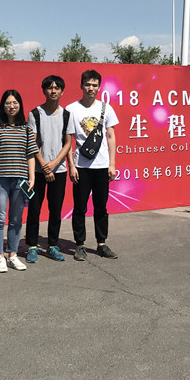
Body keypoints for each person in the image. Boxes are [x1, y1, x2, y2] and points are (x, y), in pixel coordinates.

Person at [66, 69, 119, 261]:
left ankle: (101, 243)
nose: (91, 88)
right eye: (87, 84)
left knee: (101, 207)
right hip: (81, 166)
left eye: (94, 85)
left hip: (102, 166)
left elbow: (111, 136)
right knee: (80, 207)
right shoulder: (71, 109)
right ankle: (79, 245)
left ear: (99, 87)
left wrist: (112, 164)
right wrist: (71, 166)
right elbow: (68, 140)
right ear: (81, 86)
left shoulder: (106, 108)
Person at [0, 90, 38, 273]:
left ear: (20, 105)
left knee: (16, 219)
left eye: (15, 103)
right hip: (0, 179)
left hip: (20, 179)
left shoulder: (26, 129)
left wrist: (32, 177)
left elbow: (31, 155)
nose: (11, 106)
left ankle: (12, 254)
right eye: (8, 103)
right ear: (3, 106)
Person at [24, 75, 74, 263]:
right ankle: (32, 246)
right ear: (44, 90)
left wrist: (54, 164)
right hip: (37, 171)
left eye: (57, 88)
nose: (53, 91)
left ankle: (53, 245)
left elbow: (68, 143)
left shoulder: (67, 115)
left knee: (55, 209)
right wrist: (45, 165)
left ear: (62, 91)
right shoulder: (35, 114)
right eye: (50, 88)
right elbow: (32, 142)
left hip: (59, 170)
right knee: (34, 209)